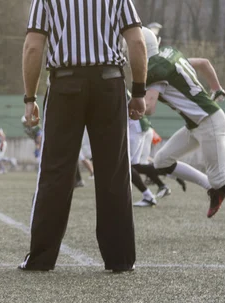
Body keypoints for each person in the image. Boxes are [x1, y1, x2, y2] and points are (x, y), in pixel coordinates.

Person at [20, 0, 147, 272]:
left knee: (56, 171)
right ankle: (121, 259)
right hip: (109, 83)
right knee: (113, 171)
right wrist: (138, 91)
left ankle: (41, 258)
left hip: (65, 84)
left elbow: (33, 46)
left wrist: (29, 97)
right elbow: (136, 42)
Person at [142, 28, 225, 227]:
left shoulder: (156, 68)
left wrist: (128, 106)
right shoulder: (169, 54)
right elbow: (204, 63)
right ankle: (211, 187)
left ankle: (216, 185)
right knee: (162, 161)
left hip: (209, 122)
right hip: (197, 124)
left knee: (221, 178)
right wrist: (216, 88)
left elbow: (149, 108)